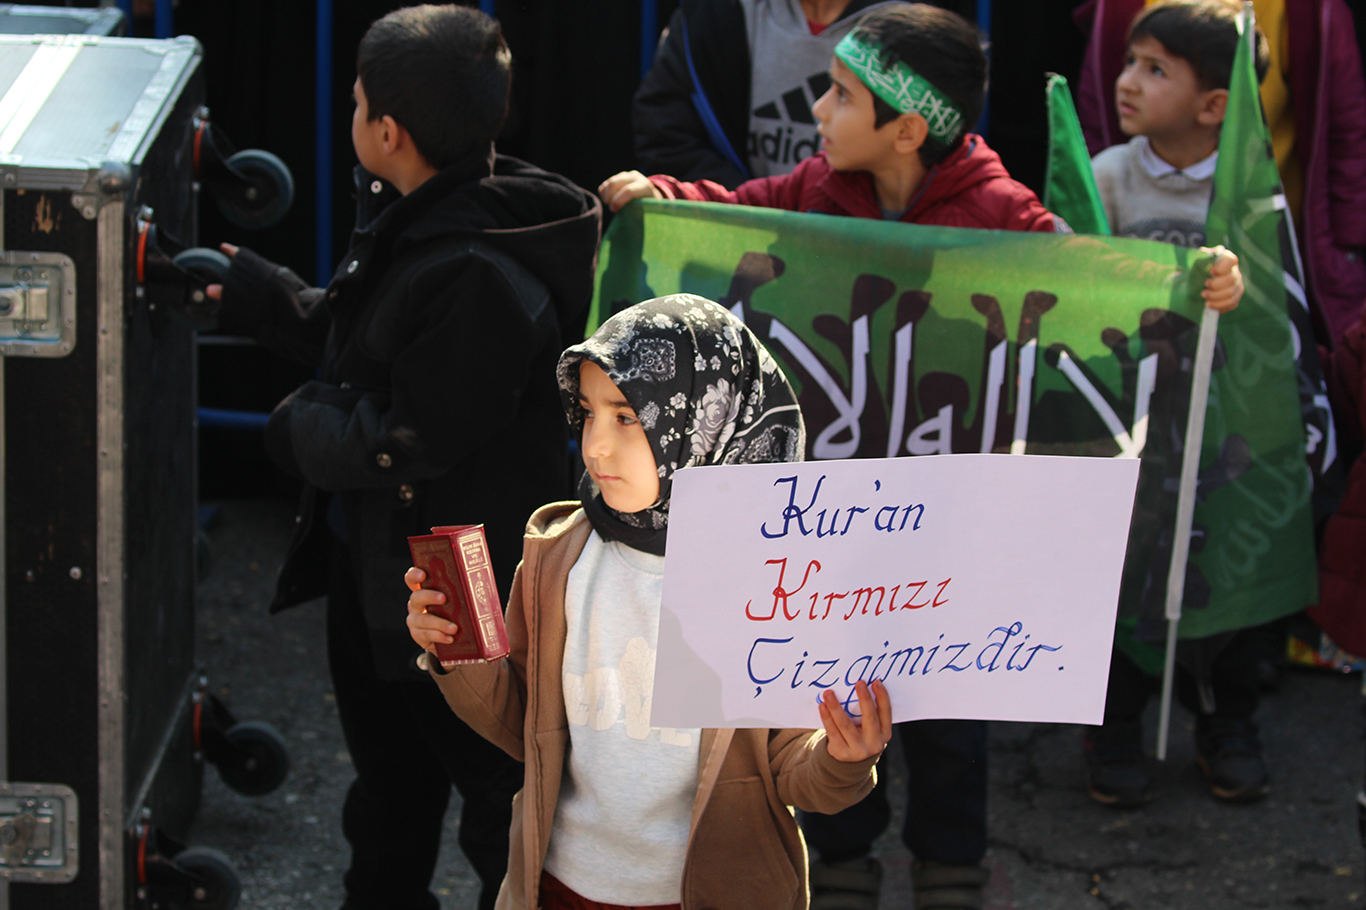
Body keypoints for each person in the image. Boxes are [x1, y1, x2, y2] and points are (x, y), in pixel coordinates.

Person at [601, 6, 1244, 906]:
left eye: (841, 94)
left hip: (952, 526)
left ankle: (951, 867)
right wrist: (660, 199)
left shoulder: (999, 211)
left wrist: (1195, 281)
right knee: (827, 688)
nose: (818, 110)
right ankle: (841, 859)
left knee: (949, 706)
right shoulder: (817, 188)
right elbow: (732, 213)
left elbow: (1091, 277)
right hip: (834, 518)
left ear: (906, 128)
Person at [203, 6, 602, 909]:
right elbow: (367, 346)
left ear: (388, 132)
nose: (350, 117)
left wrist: (294, 430)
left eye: (355, 104)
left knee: (492, 796)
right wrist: (263, 298)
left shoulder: (479, 270)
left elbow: (409, 437)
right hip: (379, 568)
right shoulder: (413, 211)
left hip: (460, 578)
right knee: (388, 789)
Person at [404, 295, 890, 910]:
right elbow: (525, 726)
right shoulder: (559, 555)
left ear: (710, 421)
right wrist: (458, 649)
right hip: (558, 886)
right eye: (587, 414)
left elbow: (793, 769)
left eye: (628, 417)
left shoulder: (781, 577)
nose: (596, 447)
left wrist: (844, 757)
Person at [1085, 0, 1271, 809]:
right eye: (1130, 61)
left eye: (1155, 69)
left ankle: (1228, 722)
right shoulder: (1106, 176)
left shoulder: (1251, 189)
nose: (1127, 81)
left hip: (1223, 428)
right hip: (1130, 422)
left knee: (1224, 572)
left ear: (1214, 105)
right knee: (1121, 573)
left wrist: (1240, 285)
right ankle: (1113, 724)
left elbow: (1278, 301)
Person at [632, 0, 909, 189]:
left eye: (843, 94)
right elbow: (664, 130)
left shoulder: (913, 26)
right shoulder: (714, 12)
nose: (819, 109)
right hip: (736, 238)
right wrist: (752, 207)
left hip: (859, 243)